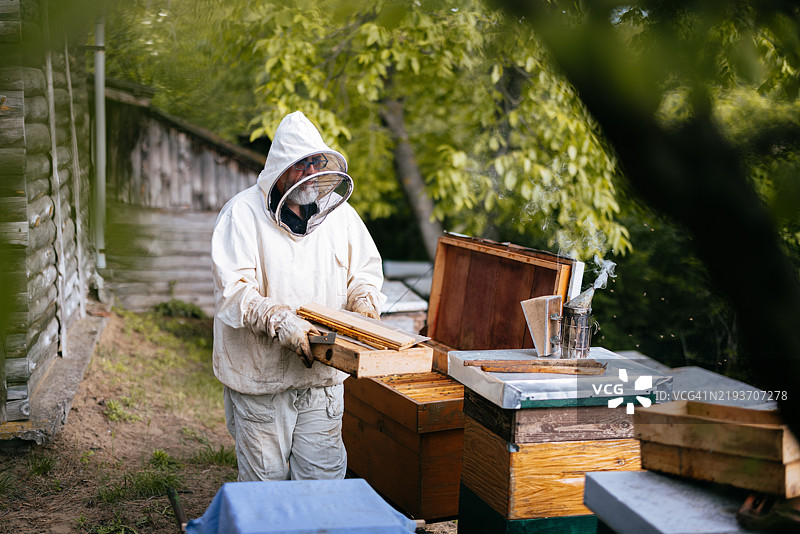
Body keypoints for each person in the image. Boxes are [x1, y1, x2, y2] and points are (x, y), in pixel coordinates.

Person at [210, 110, 385, 481]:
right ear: (280, 169)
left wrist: (364, 302)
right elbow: (234, 292)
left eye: (315, 163)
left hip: (322, 378)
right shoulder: (241, 215)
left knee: (322, 485)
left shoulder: (341, 217)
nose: (310, 173)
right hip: (261, 381)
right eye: (300, 165)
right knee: (266, 487)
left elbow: (364, 273)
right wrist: (279, 320)